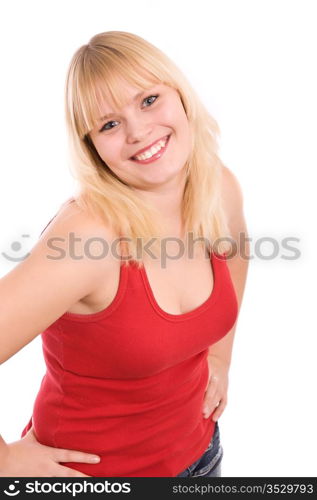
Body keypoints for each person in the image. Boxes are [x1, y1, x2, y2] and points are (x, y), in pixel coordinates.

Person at [0, 31, 249, 477]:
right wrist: (5, 463)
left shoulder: (216, 187)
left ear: (180, 94)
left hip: (201, 455)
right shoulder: (87, 241)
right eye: (109, 124)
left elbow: (236, 253)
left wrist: (220, 358)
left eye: (149, 100)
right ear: (91, 146)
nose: (139, 131)